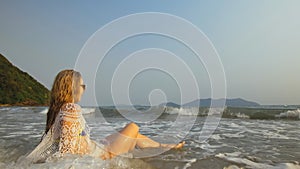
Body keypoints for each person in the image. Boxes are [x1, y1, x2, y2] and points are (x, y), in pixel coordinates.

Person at [26, 69, 184, 163]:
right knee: (133, 127)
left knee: (134, 134)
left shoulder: (59, 109)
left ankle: (162, 146)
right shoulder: (70, 109)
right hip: (99, 154)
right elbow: (67, 152)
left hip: (96, 146)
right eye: (83, 86)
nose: (84, 89)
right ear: (73, 87)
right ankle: (163, 147)